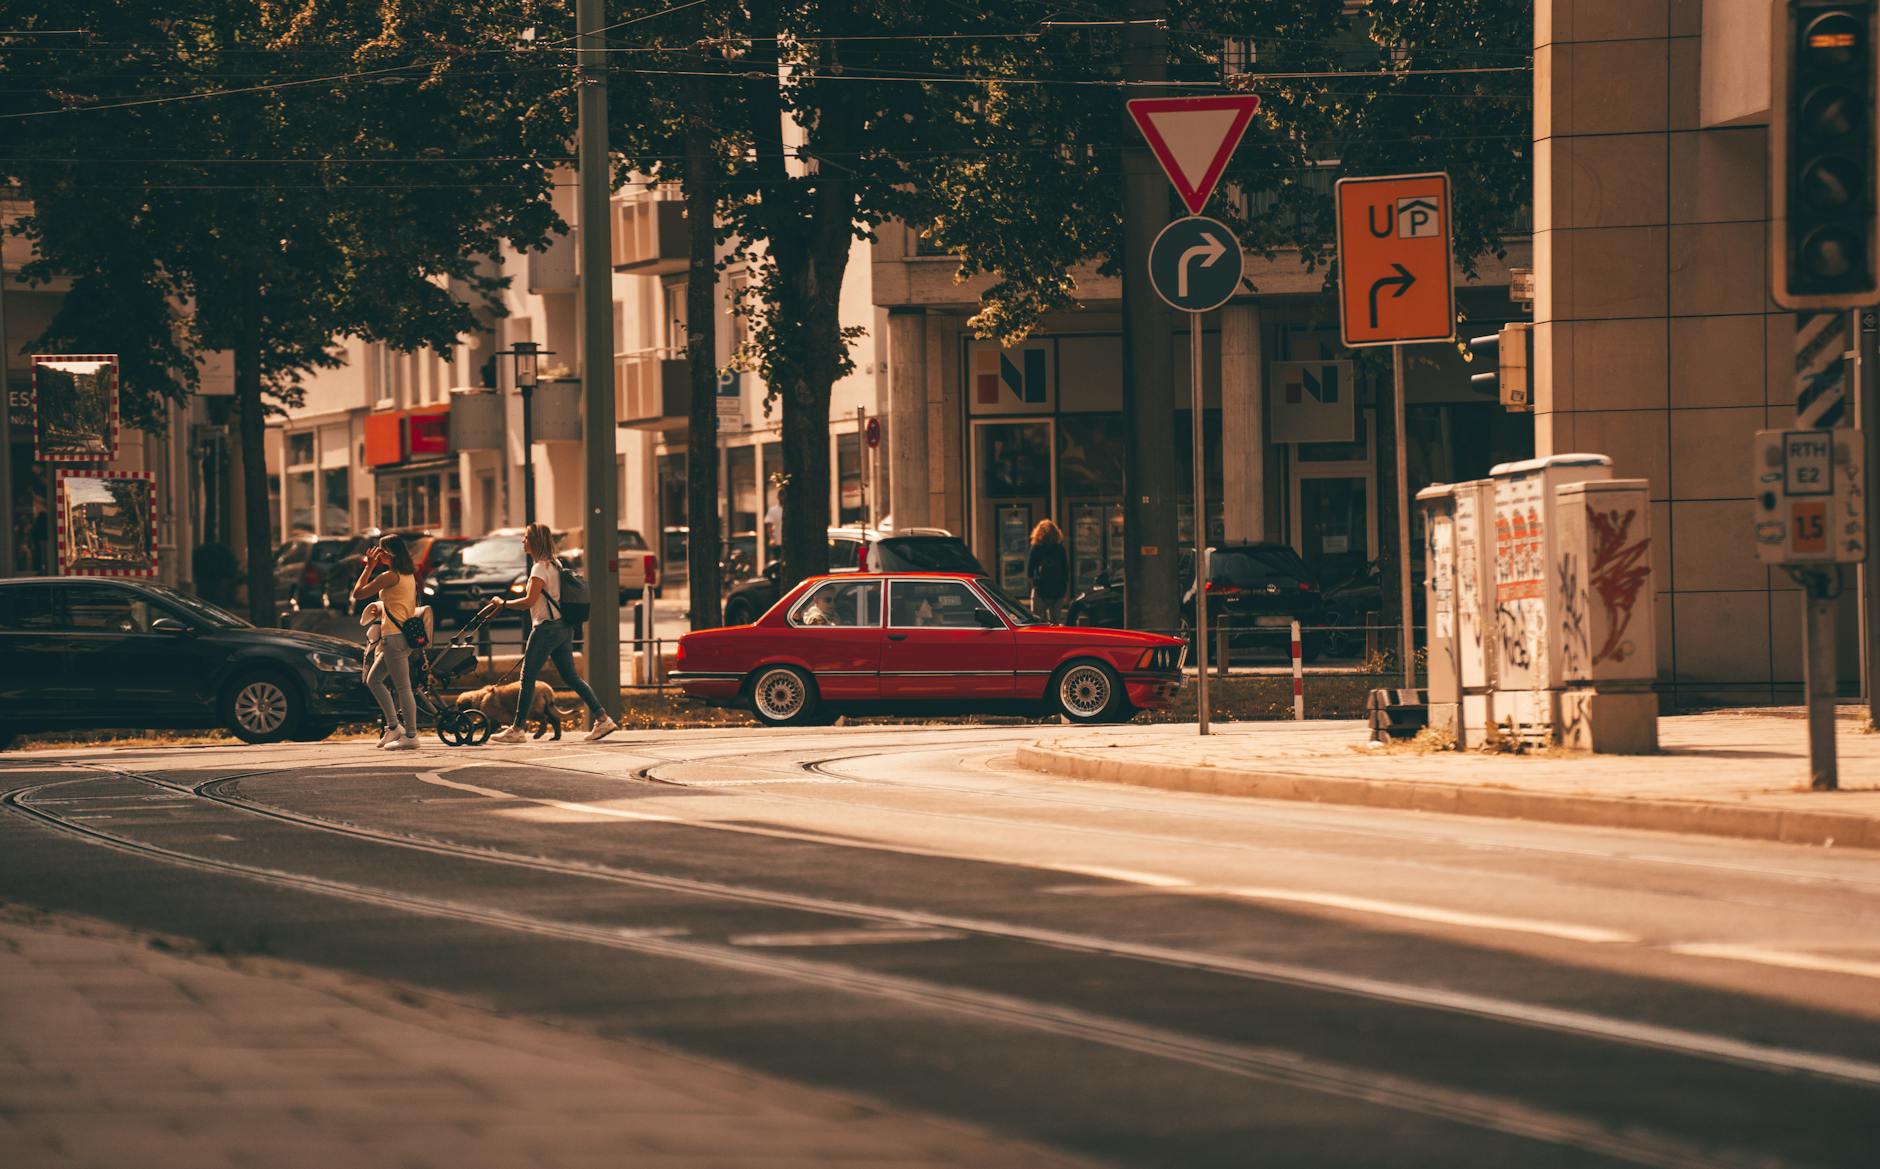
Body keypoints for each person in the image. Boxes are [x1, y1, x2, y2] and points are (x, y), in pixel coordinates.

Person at [479, 523, 618, 744]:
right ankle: (603, 718)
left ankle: (517, 729)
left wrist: (502, 603)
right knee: (571, 677)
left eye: (525, 537)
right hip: (563, 627)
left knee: (527, 678)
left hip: (546, 628)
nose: (522, 541)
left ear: (534, 541)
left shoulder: (539, 568)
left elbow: (529, 602)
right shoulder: (555, 564)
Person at [353, 534, 420, 750]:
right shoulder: (408, 574)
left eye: (380, 551)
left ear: (388, 553)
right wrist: (381, 608)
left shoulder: (389, 576)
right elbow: (399, 604)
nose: (377, 554)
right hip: (402, 636)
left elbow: (358, 593)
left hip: (394, 638)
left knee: (403, 688)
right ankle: (394, 726)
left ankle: (411, 735)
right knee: (374, 680)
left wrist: (369, 567)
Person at [1026, 518, 1070, 624]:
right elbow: (1066, 571)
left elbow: (1029, 571)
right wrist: (1064, 591)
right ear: (1056, 533)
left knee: (1037, 621)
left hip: (1040, 590)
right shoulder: (1060, 549)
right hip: (1058, 591)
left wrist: (1034, 586)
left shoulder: (1036, 548)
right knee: (1055, 622)